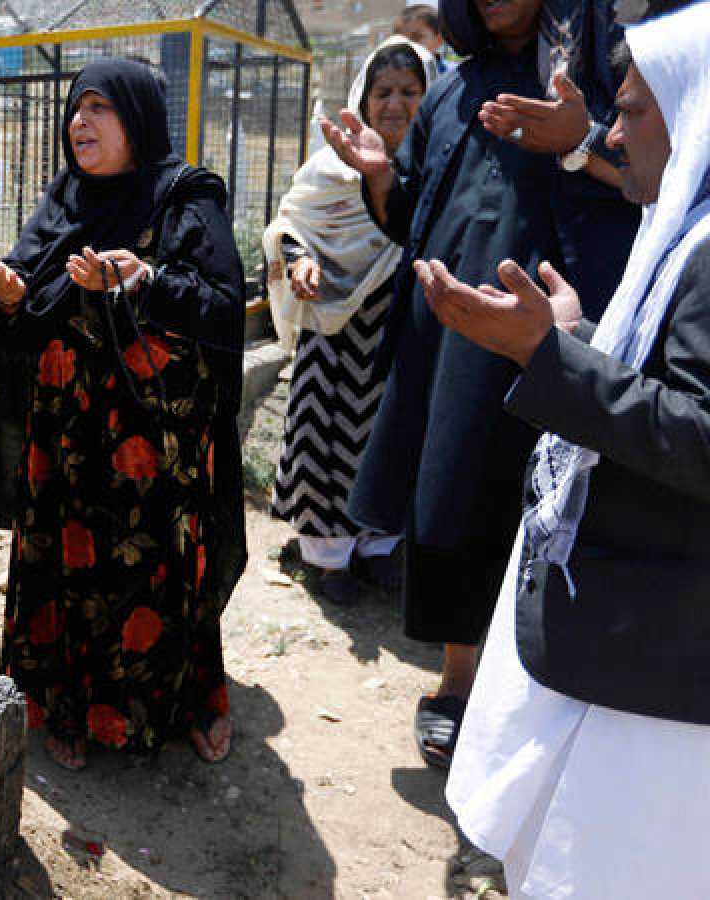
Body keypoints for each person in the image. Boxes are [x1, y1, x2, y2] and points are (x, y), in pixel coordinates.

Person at [422, 6, 710, 894]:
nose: (612, 133)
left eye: (630, 112)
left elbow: (701, 436)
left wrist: (546, 359)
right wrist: (580, 341)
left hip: (656, 668)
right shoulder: (684, 230)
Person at [320, 0, 638, 769]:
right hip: (451, 336)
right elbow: (413, 217)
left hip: (561, 329)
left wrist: (580, 141)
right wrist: (379, 175)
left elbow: (646, 186)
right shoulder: (451, 90)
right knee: (453, 485)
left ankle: (537, 691)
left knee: (546, 504)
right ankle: (456, 681)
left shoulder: (597, 78)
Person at [0, 59, 247, 770]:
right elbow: (30, 322)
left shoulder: (184, 196)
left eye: (100, 108)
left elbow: (221, 306)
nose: (79, 122)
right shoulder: (63, 200)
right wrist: (7, 302)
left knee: (157, 567)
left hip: (152, 441)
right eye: (74, 108)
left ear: (139, 117)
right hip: (66, 436)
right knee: (68, 565)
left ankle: (187, 702)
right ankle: (66, 708)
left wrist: (143, 280)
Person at [264, 38, 433, 605]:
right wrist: (301, 260)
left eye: (411, 91)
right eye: (383, 91)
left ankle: (380, 546)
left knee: (392, 434)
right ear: (363, 97)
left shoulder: (437, 167)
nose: (395, 103)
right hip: (332, 329)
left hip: (403, 330)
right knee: (323, 438)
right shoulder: (328, 168)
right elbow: (292, 223)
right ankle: (328, 557)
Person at [395, 4, 452, 72]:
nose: (409, 46)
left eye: (417, 37)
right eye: (402, 42)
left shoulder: (452, 73)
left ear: (439, 38)